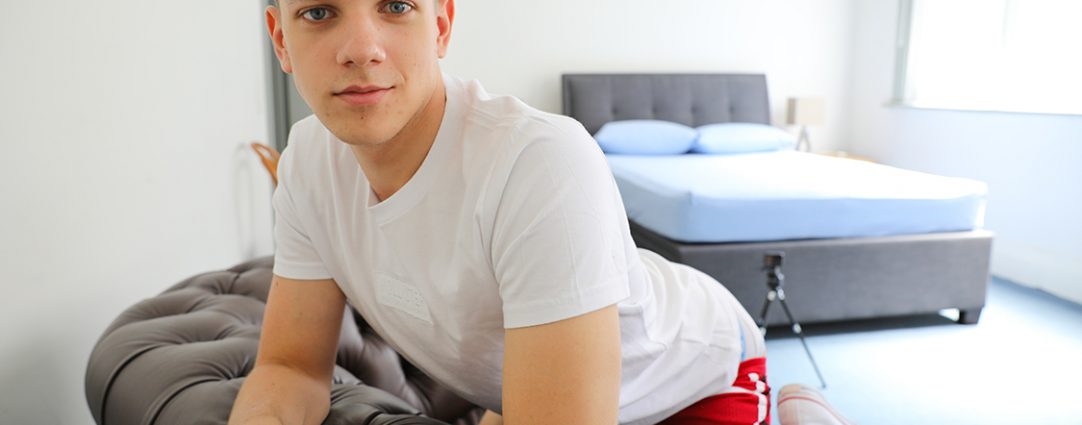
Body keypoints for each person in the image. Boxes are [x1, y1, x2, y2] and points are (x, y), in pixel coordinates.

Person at [228, 0, 771, 424]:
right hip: (534, 384)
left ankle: (799, 405)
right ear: (282, 41)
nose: (362, 49)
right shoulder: (308, 163)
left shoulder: (538, 163)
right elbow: (291, 368)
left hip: (692, 382)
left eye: (396, 6)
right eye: (319, 13)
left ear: (441, 25)